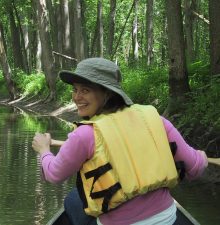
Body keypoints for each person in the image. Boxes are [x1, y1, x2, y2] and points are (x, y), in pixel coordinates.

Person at [32, 58, 208, 225]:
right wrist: (201, 158)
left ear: (107, 93)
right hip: (167, 219)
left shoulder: (84, 134)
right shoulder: (155, 120)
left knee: (73, 200)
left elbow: (54, 174)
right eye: (75, 89)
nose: (76, 97)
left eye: (85, 90)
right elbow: (195, 168)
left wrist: (43, 150)